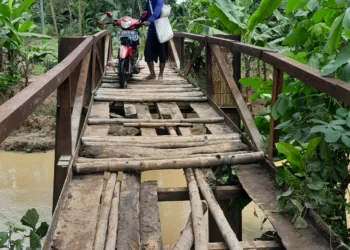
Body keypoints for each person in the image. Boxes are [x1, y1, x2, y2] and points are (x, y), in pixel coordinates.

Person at [142, 0, 168, 81]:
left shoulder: (159, 1)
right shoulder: (148, 2)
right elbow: (145, 13)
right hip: (151, 32)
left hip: (161, 30)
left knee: (162, 53)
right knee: (147, 53)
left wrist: (149, 20)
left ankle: (161, 74)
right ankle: (152, 73)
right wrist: (141, 20)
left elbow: (156, 13)